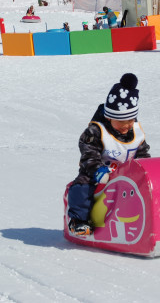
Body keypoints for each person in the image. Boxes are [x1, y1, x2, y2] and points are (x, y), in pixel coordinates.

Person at [66, 73, 151, 236]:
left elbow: (142, 153)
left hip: (126, 176)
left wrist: (146, 170)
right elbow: (88, 151)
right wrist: (96, 169)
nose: (126, 125)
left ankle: (147, 220)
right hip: (97, 174)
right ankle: (79, 221)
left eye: (130, 120)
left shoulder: (136, 133)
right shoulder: (97, 131)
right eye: (121, 121)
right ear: (109, 117)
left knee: (144, 190)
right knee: (82, 187)